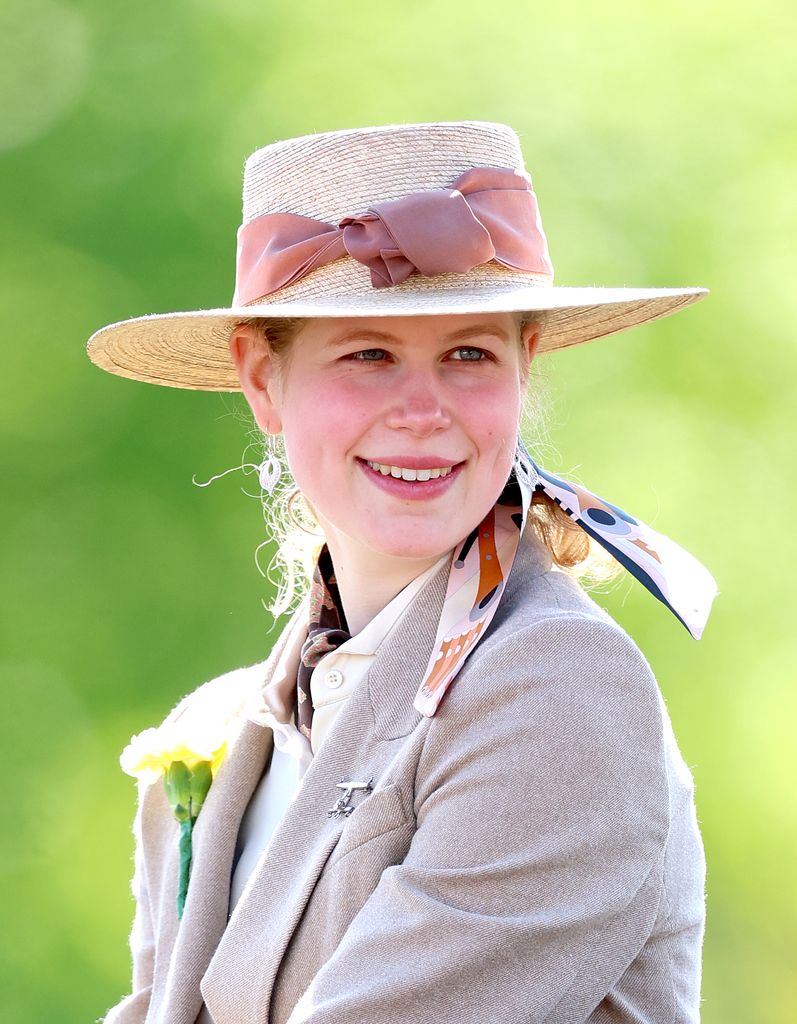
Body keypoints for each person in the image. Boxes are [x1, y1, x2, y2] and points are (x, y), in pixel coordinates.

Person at [87, 121, 716, 1024]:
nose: (422, 410)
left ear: (523, 367)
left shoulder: (557, 687)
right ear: (263, 382)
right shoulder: (214, 737)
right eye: (368, 354)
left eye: (469, 354)